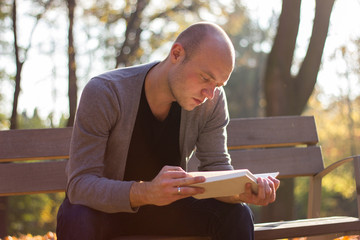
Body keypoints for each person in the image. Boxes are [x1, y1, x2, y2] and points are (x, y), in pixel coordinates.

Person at [56, 22, 280, 240]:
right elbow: (80, 184)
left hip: (168, 211)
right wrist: (146, 192)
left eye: (218, 85)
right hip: (105, 212)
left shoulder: (211, 102)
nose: (210, 93)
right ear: (176, 54)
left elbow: (216, 167)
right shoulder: (106, 92)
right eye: (205, 78)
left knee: (237, 214)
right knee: (79, 216)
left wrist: (239, 193)